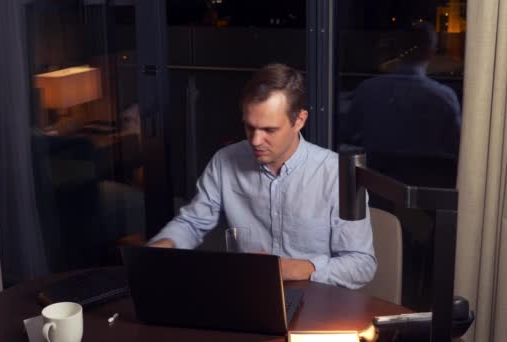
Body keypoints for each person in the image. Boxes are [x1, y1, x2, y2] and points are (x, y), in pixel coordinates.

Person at [148, 64, 376, 290]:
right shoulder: (225, 160)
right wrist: (160, 249)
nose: (255, 141)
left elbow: (361, 264)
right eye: (250, 127)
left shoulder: (335, 174)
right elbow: (192, 223)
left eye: (269, 130)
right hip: (248, 295)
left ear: (299, 120)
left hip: (318, 303)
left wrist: (290, 268)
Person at [341, 22, 461, 158]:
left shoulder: (368, 90)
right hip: (426, 178)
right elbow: (456, 146)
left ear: (398, 49)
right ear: (432, 52)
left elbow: (348, 131)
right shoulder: (444, 97)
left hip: (374, 176)